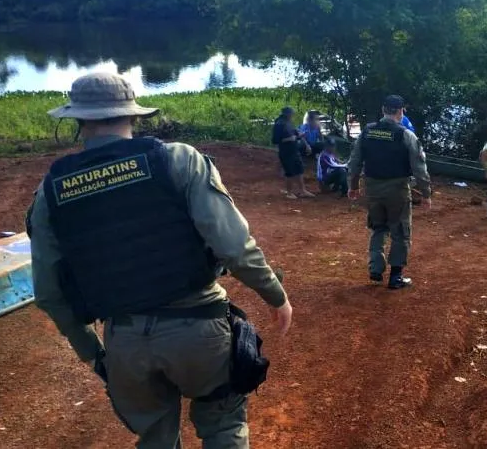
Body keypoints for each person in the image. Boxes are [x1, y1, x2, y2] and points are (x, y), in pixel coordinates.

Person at [27, 72, 293, 448]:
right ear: (133, 115)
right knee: (223, 425)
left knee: (155, 438)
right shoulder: (179, 160)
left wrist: (92, 354)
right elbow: (234, 246)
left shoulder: (50, 193)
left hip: (126, 343)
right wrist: (275, 295)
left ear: (78, 120)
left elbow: (49, 293)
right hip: (200, 330)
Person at [347, 95, 432, 289]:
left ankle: (375, 268)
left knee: (378, 227)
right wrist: (426, 194)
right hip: (397, 190)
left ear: (383, 109)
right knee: (400, 232)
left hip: (373, 189)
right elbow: (420, 168)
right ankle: (396, 277)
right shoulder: (405, 135)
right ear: (400, 111)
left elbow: (354, 162)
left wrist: (352, 186)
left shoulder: (366, 132)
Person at [272, 106, 314, 199]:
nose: (293, 115)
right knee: (289, 172)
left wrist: (304, 141)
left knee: (299, 169)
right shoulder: (279, 124)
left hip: (294, 149)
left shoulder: (289, 122)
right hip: (285, 151)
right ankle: (289, 192)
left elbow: (296, 133)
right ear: (287, 114)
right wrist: (288, 139)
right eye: (291, 113)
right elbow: (275, 140)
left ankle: (302, 190)